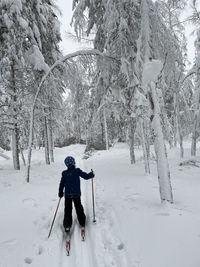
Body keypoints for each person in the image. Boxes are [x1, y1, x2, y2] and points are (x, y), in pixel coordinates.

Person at [58, 156, 95, 232]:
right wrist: (91, 174)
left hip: (68, 195)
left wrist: (60, 192)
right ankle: (82, 222)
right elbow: (85, 176)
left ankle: (67, 225)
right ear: (73, 163)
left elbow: (61, 184)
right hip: (76, 194)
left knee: (68, 209)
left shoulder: (64, 173)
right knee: (78, 207)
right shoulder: (77, 171)